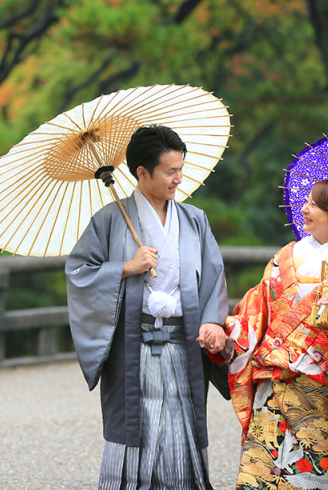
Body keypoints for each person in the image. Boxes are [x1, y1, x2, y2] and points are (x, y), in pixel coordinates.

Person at [66, 124, 229, 490]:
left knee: (184, 428)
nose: (178, 179)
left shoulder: (194, 220)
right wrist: (126, 267)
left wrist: (213, 324)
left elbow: (213, 279)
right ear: (142, 172)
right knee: (133, 432)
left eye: (180, 169)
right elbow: (78, 272)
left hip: (184, 344)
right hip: (133, 346)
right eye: (170, 172)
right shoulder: (110, 220)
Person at [204, 176, 328, 490]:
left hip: (323, 386)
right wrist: (224, 335)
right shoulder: (285, 257)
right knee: (262, 468)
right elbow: (256, 308)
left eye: (313, 205)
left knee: (317, 468)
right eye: (306, 202)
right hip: (274, 377)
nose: (304, 209)